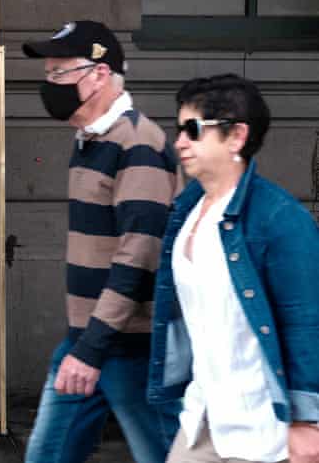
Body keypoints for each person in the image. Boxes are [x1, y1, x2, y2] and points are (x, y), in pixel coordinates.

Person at [21, 21, 180, 462]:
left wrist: (91, 348)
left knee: (166, 454)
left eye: (59, 72)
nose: (50, 84)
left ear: (100, 75)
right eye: (48, 73)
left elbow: (138, 254)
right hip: (90, 339)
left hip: (129, 346)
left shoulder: (137, 144)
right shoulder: (91, 140)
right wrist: (87, 344)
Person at [148, 74, 319, 463]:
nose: (180, 142)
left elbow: (307, 321)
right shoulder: (186, 211)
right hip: (202, 417)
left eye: (193, 130)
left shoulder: (279, 218)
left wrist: (308, 420)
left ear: (237, 136)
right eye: (179, 129)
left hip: (266, 429)